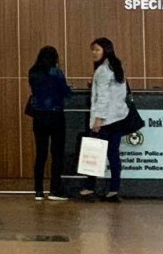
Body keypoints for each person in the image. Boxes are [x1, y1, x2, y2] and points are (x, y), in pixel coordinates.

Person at [80, 37, 128, 202]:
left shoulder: (102, 70)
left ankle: (89, 188)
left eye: (97, 50)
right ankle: (114, 190)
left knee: (94, 153)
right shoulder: (117, 66)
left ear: (105, 50)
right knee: (113, 155)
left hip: (105, 120)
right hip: (118, 118)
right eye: (92, 50)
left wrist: (98, 120)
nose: (94, 53)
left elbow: (103, 98)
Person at [26, 46, 71, 201]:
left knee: (41, 153)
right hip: (55, 115)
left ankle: (38, 191)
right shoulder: (56, 72)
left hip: (39, 116)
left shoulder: (33, 72)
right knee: (57, 154)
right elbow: (66, 92)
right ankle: (54, 190)